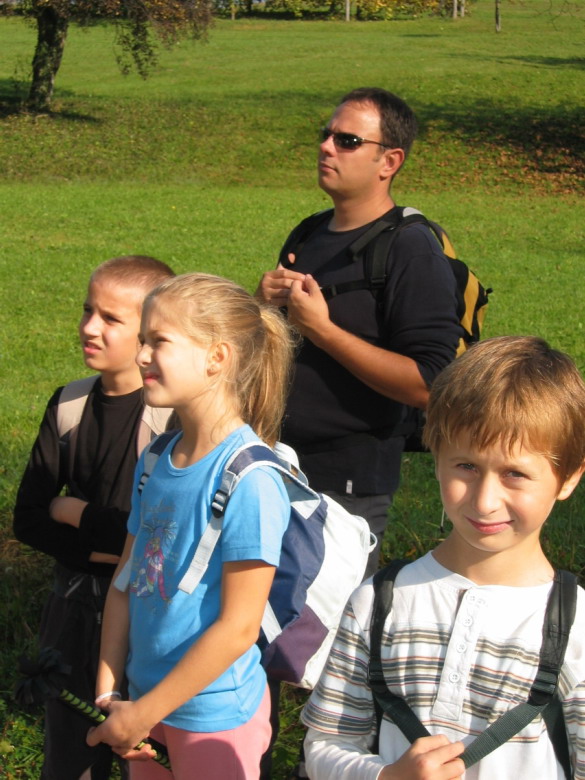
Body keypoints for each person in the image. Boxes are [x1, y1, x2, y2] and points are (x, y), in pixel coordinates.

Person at [302, 335, 585, 780]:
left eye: (515, 474)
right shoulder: (377, 603)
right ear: (436, 458)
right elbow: (325, 745)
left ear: (568, 478)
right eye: (466, 466)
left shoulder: (576, 629)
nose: (485, 501)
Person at [86, 273, 296, 780]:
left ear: (216, 357)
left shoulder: (252, 479)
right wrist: (111, 694)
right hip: (143, 705)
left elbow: (239, 628)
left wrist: (144, 711)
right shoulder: (156, 458)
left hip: (212, 717)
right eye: (142, 340)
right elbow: (125, 581)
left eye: (158, 341)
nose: (141, 355)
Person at [256, 86, 462, 578]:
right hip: (275, 462)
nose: (326, 147)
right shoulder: (308, 233)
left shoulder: (411, 249)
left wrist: (323, 330)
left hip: (347, 485)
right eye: (325, 134)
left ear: (389, 161)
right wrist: (259, 307)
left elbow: (432, 384)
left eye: (347, 140)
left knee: (327, 622)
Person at [13, 254, 175, 780]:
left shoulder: (172, 417)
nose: (89, 327)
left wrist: (73, 510)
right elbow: (27, 519)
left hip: (148, 612)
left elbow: (156, 529)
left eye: (110, 318)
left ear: (149, 332)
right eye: (88, 310)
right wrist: (104, 547)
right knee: (70, 747)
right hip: (71, 607)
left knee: (145, 750)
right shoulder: (69, 404)